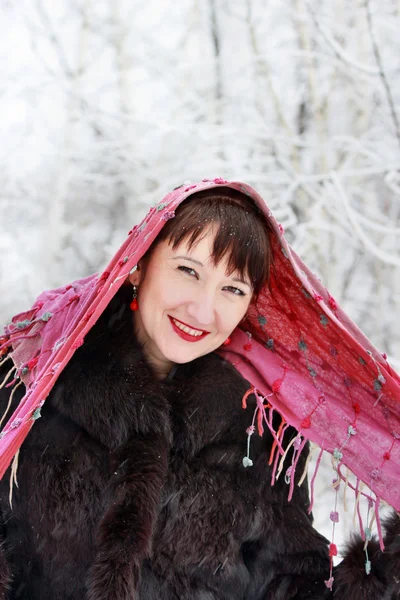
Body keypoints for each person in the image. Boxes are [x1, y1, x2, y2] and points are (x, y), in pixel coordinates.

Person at [0, 179, 399, 599]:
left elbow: (288, 578)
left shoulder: (259, 423)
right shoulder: (31, 379)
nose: (203, 309)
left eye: (232, 289)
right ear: (139, 264)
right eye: (188, 271)